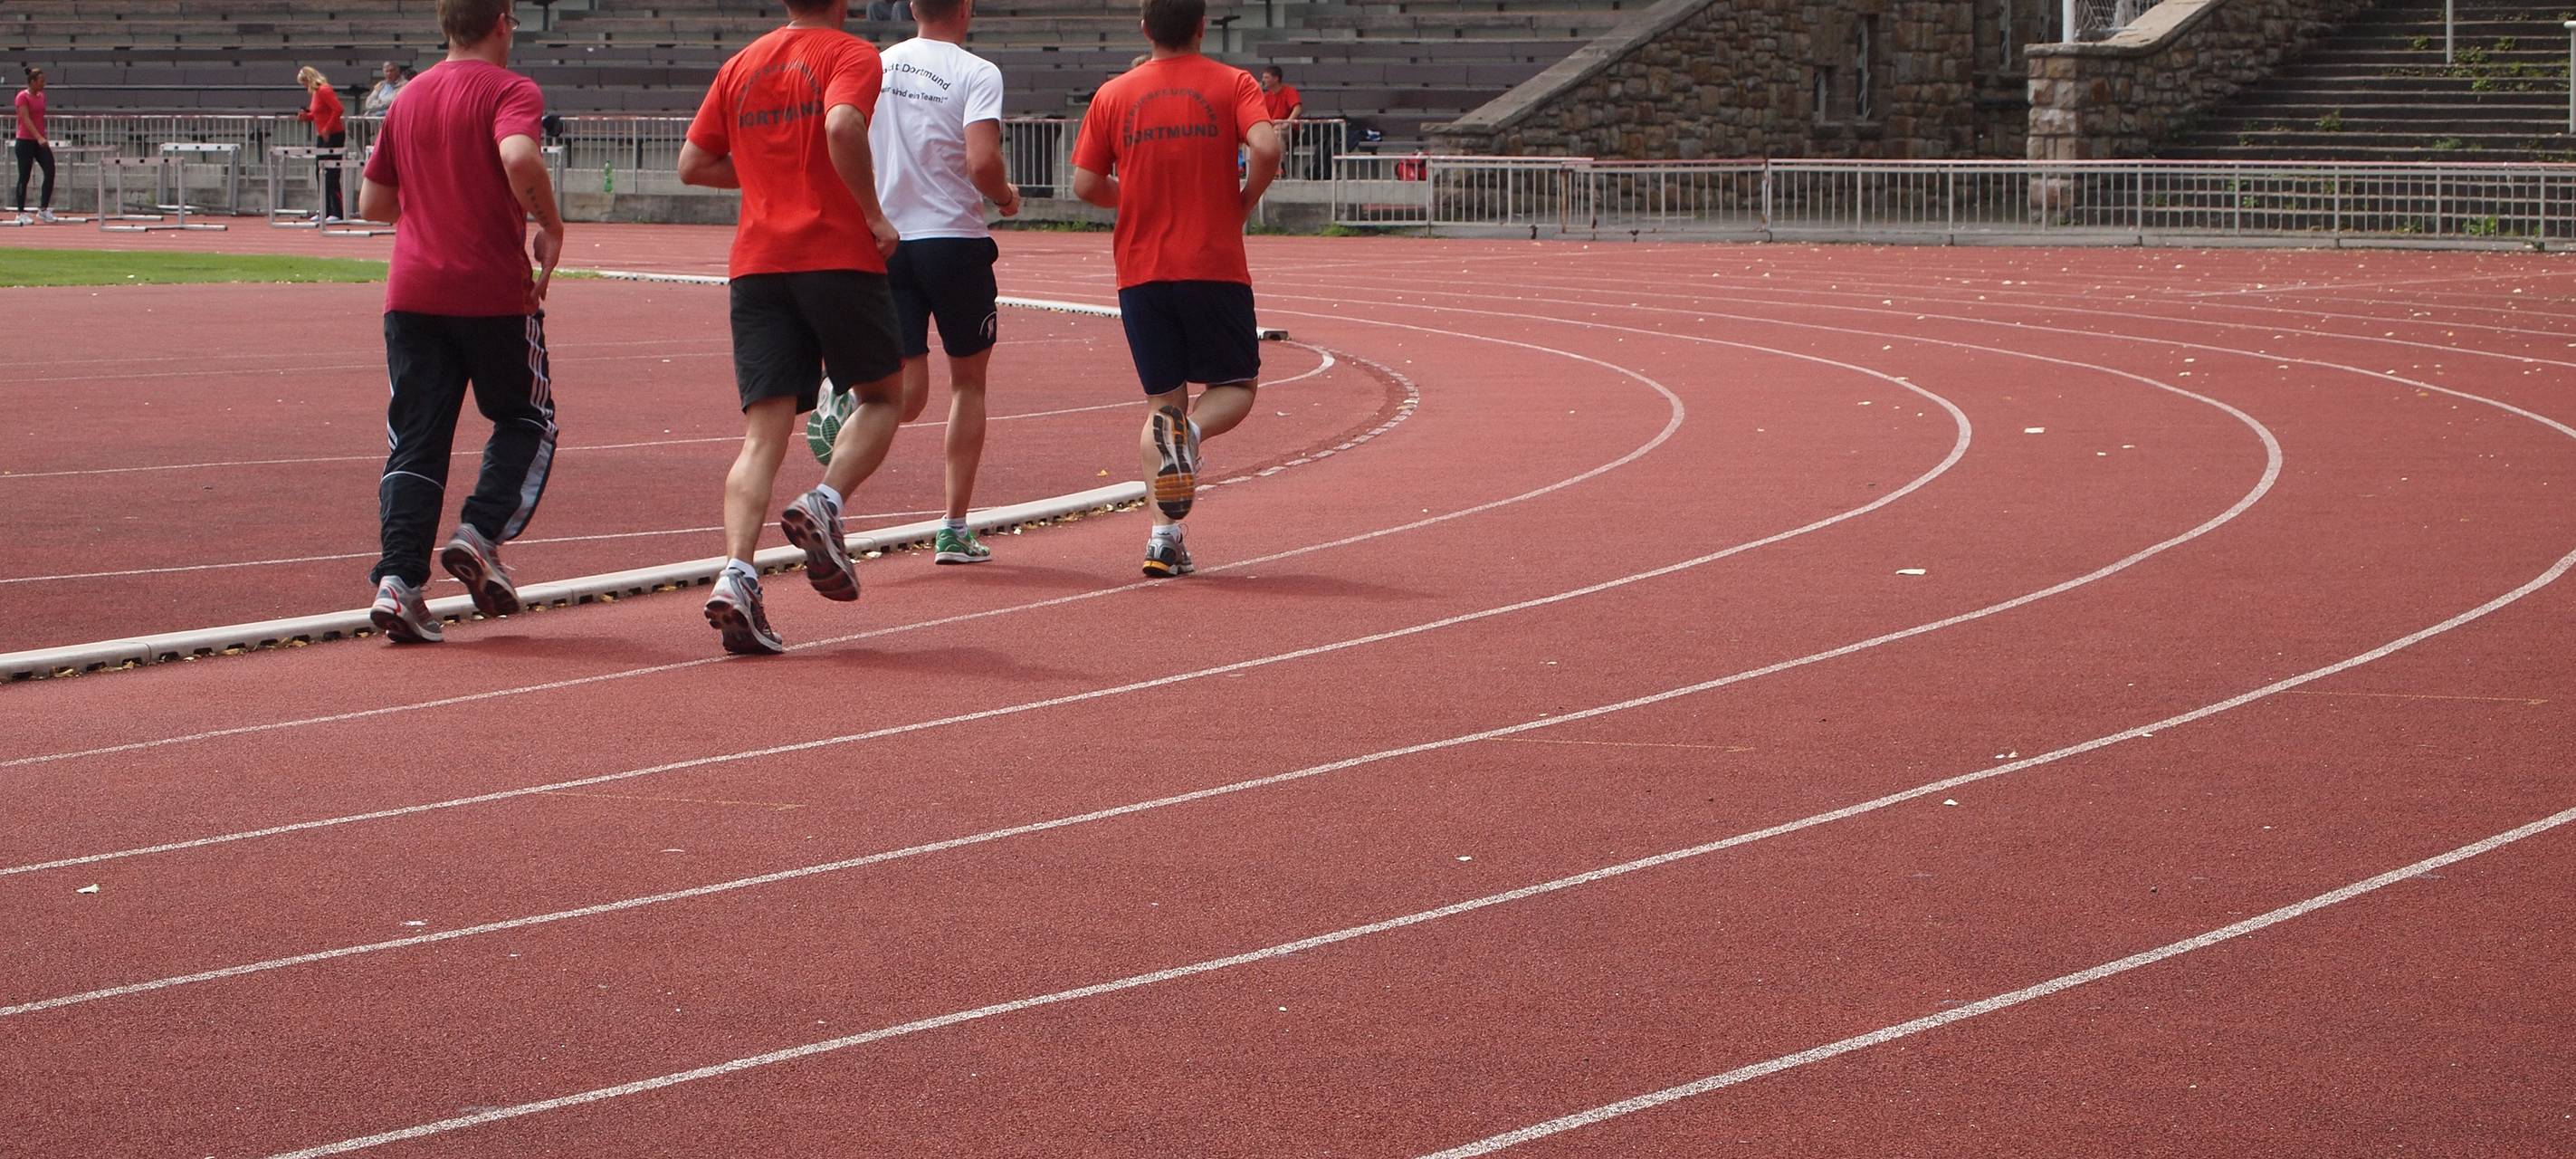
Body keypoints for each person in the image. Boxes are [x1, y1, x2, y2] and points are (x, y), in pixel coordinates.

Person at [678, 0, 908, 655]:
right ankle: (827, 500)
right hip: (835, 252)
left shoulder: (740, 65)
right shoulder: (849, 53)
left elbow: (693, 164)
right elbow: (841, 124)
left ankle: (738, 573)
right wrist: (872, 212)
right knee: (884, 397)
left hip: (758, 262)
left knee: (762, 434)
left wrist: (761, 176)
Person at [354, 0, 566, 644]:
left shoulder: (409, 97)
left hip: (412, 292)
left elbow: (373, 204)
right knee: (527, 416)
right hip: (491, 292)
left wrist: (434, 217)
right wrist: (551, 227)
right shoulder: (510, 89)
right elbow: (521, 157)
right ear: (502, 22)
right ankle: (480, 532)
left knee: (417, 438)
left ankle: (399, 582)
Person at [1072, 0, 1281, 578]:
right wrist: (1243, 200)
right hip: (1212, 261)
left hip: (1140, 269)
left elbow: (1085, 182)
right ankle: (1186, 436)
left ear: (1145, 28)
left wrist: (1134, 194)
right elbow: (1266, 147)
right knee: (1236, 385)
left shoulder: (1113, 94)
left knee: (1161, 401)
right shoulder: (1232, 82)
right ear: (1201, 27)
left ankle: (1165, 537)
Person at [871, 0, 1020, 566]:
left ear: (912, 6)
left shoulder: (877, 66)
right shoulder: (976, 71)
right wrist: (1005, 198)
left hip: (890, 239)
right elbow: (982, 161)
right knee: (967, 386)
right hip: (953, 241)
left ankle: (840, 425)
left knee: (902, 396)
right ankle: (954, 527)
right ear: (966, 8)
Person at [294, 65, 349, 221]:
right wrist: (307, 116)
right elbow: (319, 113)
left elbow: (338, 109)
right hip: (323, 134)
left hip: (333, 135)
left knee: (331, 174)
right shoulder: (316, 93)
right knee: (320, 172)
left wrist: (327, 128)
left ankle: (337, 211)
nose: (304, 87)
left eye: (304, 83)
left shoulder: (324, 90)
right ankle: (324, 209)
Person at [12, 66, 54, 224]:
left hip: (39, 140)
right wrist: (38, 137)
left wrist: (42, 137)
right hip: (25, 140)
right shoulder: (22, 97)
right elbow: (25, 119)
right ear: (32, 82)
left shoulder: (42, 96)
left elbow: (39, 117)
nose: (44, 84)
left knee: (50, 169)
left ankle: (43, 208)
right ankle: (21, 211)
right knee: (25, 175)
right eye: (41, 81)